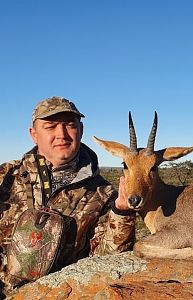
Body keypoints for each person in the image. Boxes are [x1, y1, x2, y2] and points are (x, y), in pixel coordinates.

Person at [0, 96, 135, 295]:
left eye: (69, 125)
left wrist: (122, 214)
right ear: (34, 134)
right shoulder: (6, 175)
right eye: (50, 126)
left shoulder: (104, 194)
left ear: (81, 131)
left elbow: (106, 262)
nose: (61, 134)